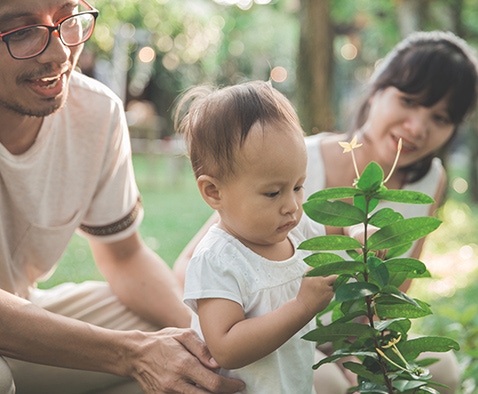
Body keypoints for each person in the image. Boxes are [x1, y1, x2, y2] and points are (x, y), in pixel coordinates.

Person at [174, 31, 478, 393]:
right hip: (271, 345)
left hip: (342, 334)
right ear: (377, 89)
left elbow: (385, 290)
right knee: (330, 385)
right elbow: (197, 268)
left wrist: (360, 243)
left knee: (440, 372)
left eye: (440, 118)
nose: (417, 127)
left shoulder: (430, 180)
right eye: (408, 100)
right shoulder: (284, 157)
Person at [0, 0, 246, 393]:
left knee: (178, 346)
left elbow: (124, 256)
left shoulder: (95, 113)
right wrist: (130, 353)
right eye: (20, 32)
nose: (61, 52)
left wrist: (215, 348)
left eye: (67, 18)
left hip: (25, 308)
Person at [174, 80, 337, 393]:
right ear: (213, 192)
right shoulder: (218, 259)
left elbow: (337, 236)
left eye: (298, 187)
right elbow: (225, 346)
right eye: (273, 192)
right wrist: (302, 306)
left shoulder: (296, 230)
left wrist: (358, 235)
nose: (291, 206)